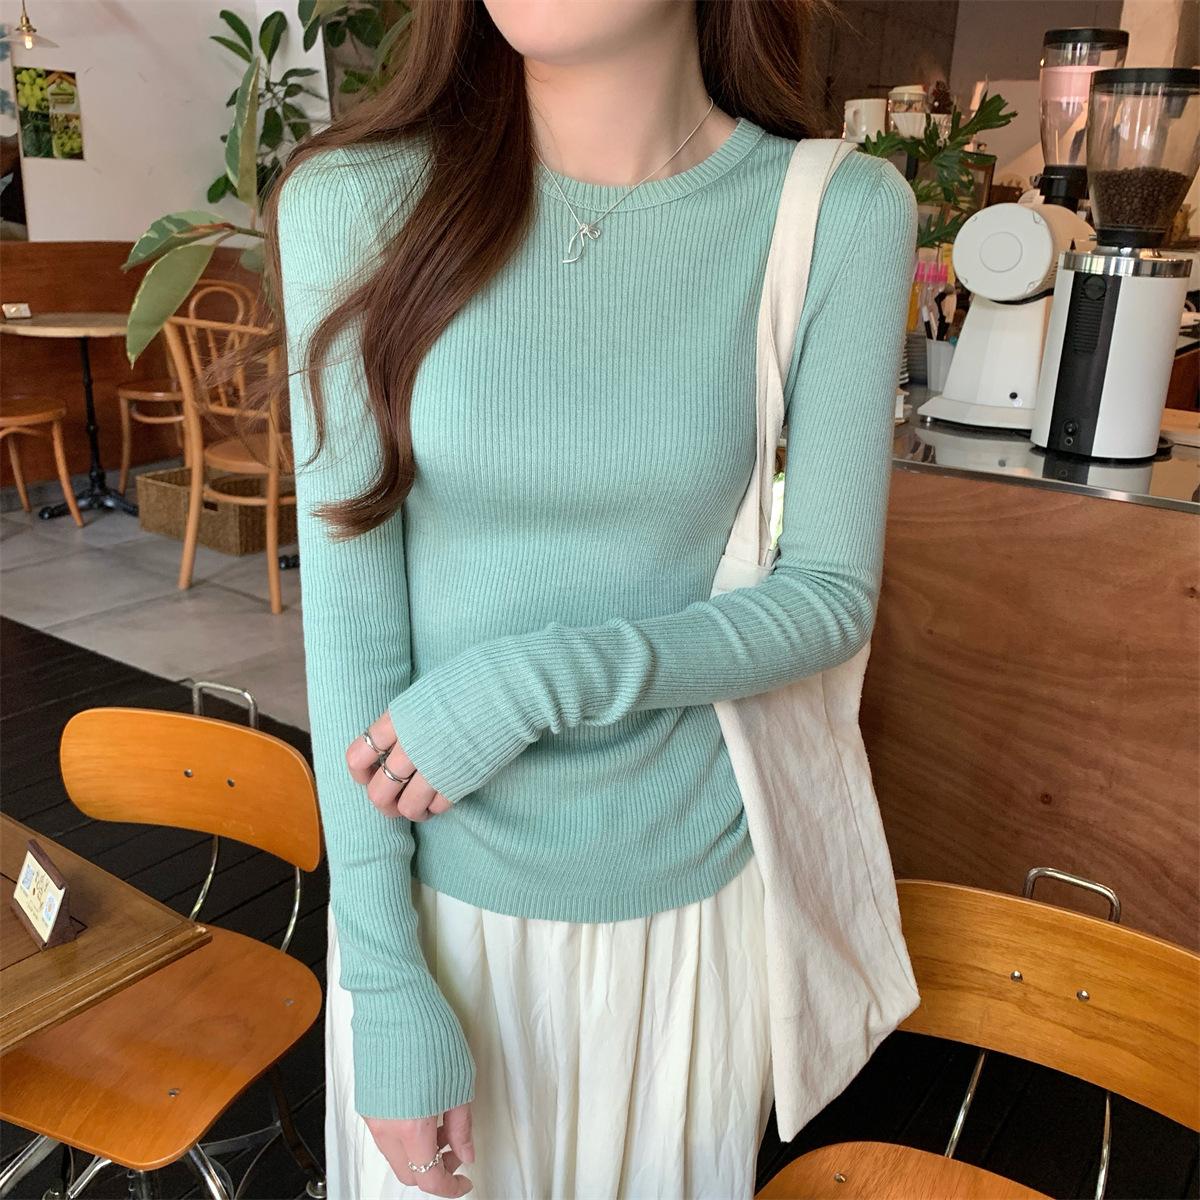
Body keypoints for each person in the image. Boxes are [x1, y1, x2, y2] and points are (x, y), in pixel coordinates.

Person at [268, 0, 916, 1196]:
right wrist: (384, 980)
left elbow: (830, 595)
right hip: (441, 918)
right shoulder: (355, 202)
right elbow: (348, 632)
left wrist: (539, 680)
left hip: (690, 922)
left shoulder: (837, 213)